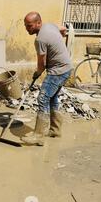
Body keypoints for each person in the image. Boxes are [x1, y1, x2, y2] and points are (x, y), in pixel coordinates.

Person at [21, 12, 73, 146]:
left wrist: (37, 73)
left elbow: (42, 64)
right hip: (66, 67)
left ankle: (38, 135)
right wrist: (59, 38)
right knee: (53, 98)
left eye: (29, 26)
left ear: (38, 23)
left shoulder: (40, 40)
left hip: (58, 71)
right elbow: (62, 28)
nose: (27, 28)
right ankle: (55, 130)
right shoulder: (49, 26)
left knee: (43, 98)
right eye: (26, 26)